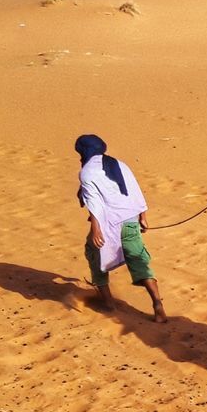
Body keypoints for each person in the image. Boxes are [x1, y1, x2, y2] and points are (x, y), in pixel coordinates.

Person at [75, 134, 167, 322]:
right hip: (130, 219)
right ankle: (158, 304)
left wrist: (95, 228)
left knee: (94, 253)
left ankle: (108, 303)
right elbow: (134, 189)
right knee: (139, 260)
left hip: (108, 223)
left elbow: (93, 202)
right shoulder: (119, 164)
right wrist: (143, 216)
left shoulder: (87, 172)